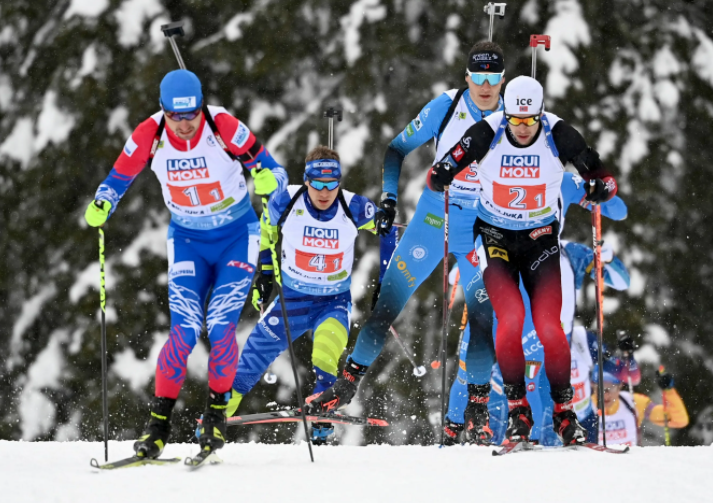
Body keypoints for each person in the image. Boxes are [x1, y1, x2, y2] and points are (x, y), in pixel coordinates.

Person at [309, 41, 506, 445]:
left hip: (482, 226)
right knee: (387, 305)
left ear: (502, 80)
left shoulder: (513, 117)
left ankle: (478, 411)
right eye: (478, 77)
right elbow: (396, 149)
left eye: (494, 78)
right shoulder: (446, 108)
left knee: (484, 318)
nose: (485, 86)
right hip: (434, 218)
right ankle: (345, 387)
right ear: (466, 76)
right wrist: (389, 197)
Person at [84, 69, 287, 458]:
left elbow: (274, 171)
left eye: (190, 114)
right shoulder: (150, 133)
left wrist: (268, 183)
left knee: (221, 326)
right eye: (174, 116)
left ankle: (214, 418)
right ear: (163, 111)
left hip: (236, 237)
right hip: (188, 240)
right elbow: (118, 176)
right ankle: (157, 426)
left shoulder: (222, 125)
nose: (183, 124)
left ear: (200, 106)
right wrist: (103, 201)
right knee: (184, 331)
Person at [427, 75, 619, 445]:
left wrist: (601, 187)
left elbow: (602, 176)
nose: (524, 128)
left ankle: (565, 414)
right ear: (507, 114)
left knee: (550, 327)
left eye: (530, 120)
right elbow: (446, 164)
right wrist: (441, 175)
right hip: (496, 239)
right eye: (516, 120)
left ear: (540, 114)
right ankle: (518, 411)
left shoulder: (558, 132)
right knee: (511, 319)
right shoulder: (487, 131)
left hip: (540, 239)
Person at [444, 172, 628, 445]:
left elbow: (618, 210)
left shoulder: (561, 178)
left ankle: (528, 437)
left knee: (529, 378)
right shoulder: (495, 171)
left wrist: (602, 190)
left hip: (535, 279)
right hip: (497, 272)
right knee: (468, 368)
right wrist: (465, 263)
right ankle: (452, 435)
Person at [228, 145, 377, 445]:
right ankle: (215, 417)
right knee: (249, 361)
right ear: (306, 180)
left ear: (339, 181)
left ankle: (323, 419)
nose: (324, 192)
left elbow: (389, 229)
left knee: (325, 354)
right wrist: (265, 275)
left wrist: (388, 277)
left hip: (332, 303)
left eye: (331, 183)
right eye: (317, 184)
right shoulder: (285, 201)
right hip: (292, 302)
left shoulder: (355, 207)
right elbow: (267, 230)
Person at [592, 361, 688, 446]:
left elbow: (679, 420)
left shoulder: (633, 402)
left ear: (620, 385)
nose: (605, 395)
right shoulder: (584, 407)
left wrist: (669, 391)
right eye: (600, 388)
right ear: (592, 386)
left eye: (611, 388)